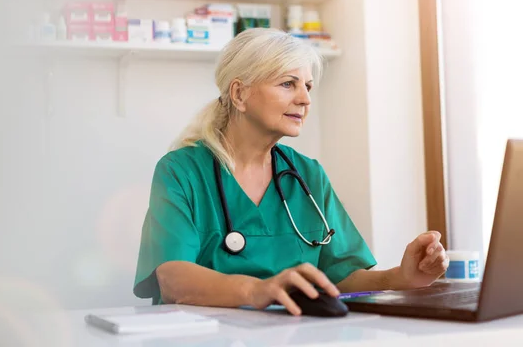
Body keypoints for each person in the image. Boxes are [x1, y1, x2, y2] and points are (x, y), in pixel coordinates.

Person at [132, 28, 448, 315]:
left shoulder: (307, 174)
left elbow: (340, 277)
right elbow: (173, 277)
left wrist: (401, 277)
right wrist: (257, 289)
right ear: (240, 94)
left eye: (307, 86)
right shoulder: (181, 171)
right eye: (288, 84)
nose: (305, 99)